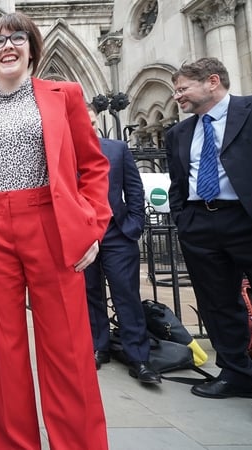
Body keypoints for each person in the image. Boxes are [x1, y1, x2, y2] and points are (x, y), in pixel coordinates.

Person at [0, 12, 111, 450]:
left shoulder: (62, 95)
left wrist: (93, 226)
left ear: (31, 49)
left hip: (49, 221)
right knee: (2, 351)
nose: (7, 46)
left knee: (67, 346)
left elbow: (93, 165)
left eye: (17, 38)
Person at [165, 57, 252, 426]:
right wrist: (184, 218)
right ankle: (235, 374)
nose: (177, 95)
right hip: (201, 223)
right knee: (217, 303)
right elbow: (178, 183)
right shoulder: (178, 134)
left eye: (183, 88)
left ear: (212, 82)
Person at [84, 107, 161, 384]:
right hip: (83, 235)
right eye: (84, 122)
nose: (89, 127)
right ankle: (98, 347)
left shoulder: (116, 149)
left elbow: (134, 189)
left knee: (125, 294)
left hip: (117, 233)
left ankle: (138, 358)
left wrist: (134, 225)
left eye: (93, 122)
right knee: (89, 294)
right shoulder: (64, 151)